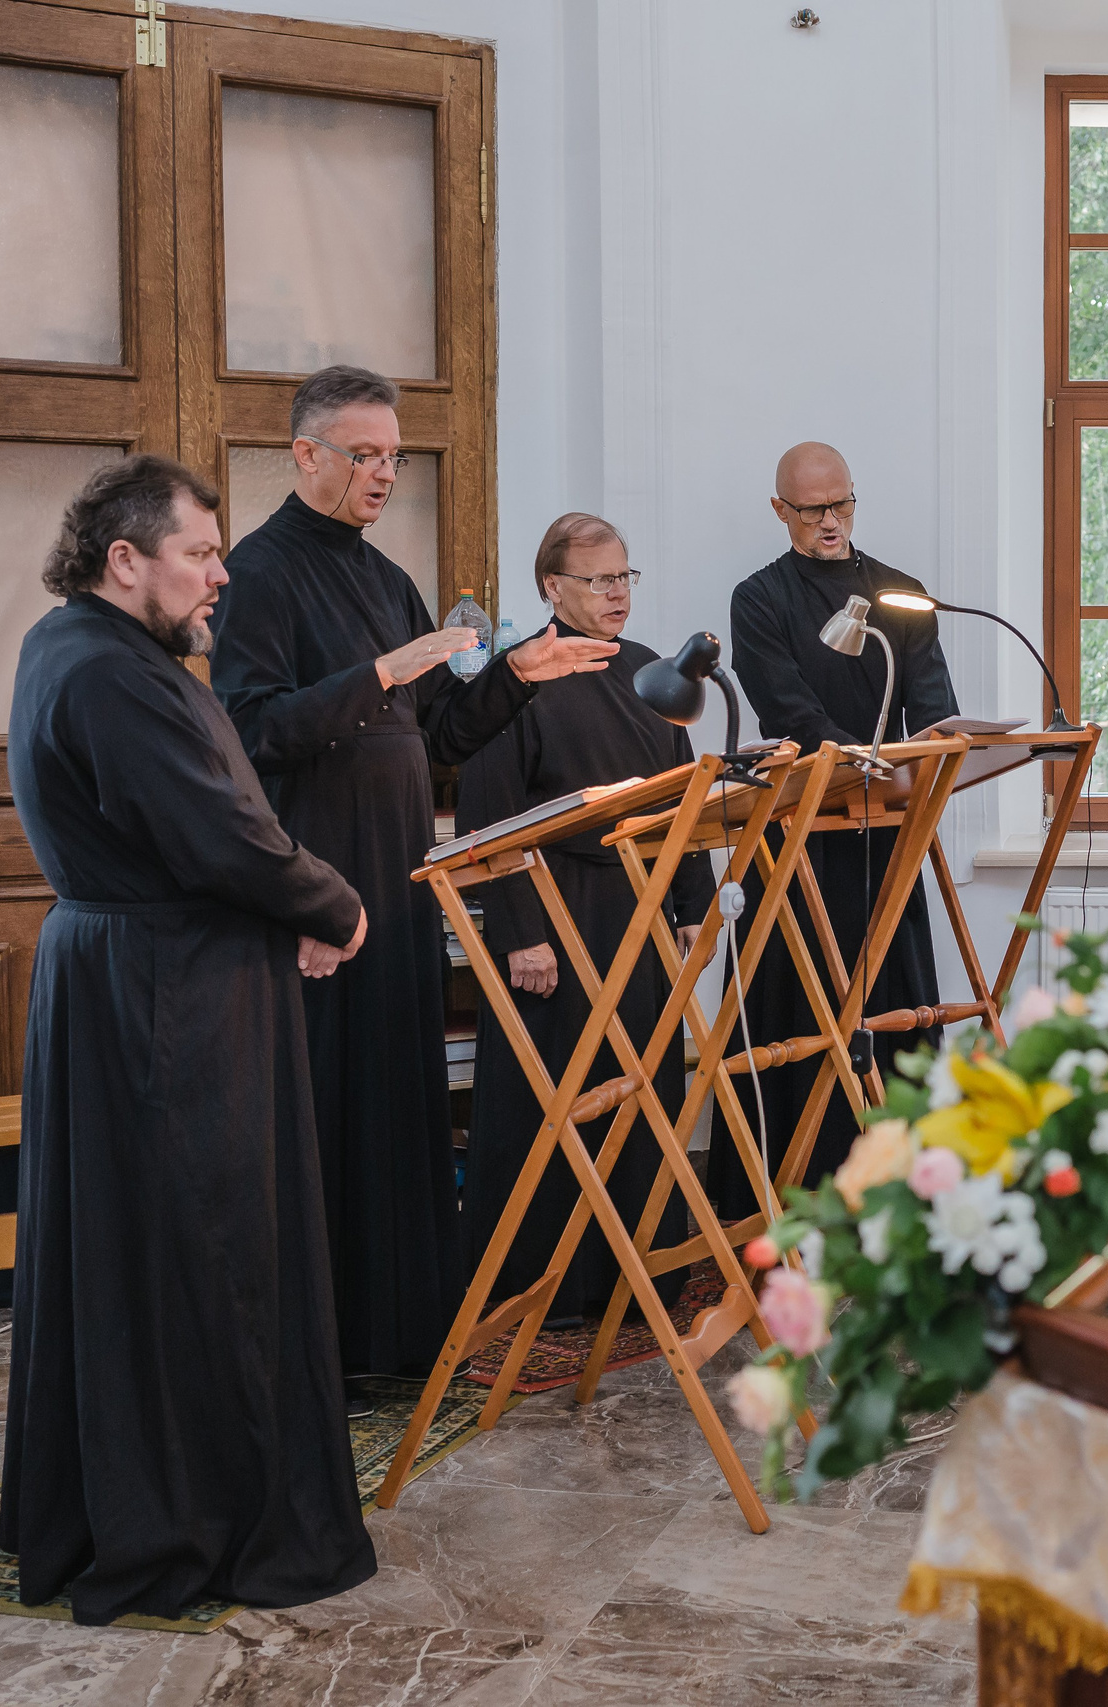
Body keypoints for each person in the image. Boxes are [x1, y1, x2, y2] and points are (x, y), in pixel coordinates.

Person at [1, 455, 373, 1626]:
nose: (220, 576)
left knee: (156, 1249)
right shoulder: (105, 670)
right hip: (166, 992)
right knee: (208, 1252)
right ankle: (201, 1516)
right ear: (126, 560)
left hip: (147, 973)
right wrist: (331, 904)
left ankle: (158, 1491)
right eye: (200, 555)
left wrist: (285, 907)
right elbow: (218, 832)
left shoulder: (90, 649)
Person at [211, 365, 615, 1387]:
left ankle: (397, 1339)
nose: (385, 474)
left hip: (397, 879)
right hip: (315, 885)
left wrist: (516, 677)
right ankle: (323, 1352)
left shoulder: (386, 578)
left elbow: (436, 734)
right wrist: (381, 673)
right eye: (366, 455)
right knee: (330, 1114)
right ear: (307, 455)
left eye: (393, 456)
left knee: (401, 1106)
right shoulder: (258, 573)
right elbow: (254, 728)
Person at [455, 514, 713, 1321]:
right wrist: (520, 927)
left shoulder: (654, 674)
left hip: (640, 904)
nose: (616, 594)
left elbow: (683, 799)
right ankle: (549, 1286)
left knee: (642, 1082)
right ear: (552, 589)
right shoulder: (519, 675)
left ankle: (643, 1271)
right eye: (599, 580)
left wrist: (690, 903)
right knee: (556, 1097)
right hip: (554, 913)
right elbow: (487, 812)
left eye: (625, 577)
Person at [712, 442, 959, 1217]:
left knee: (894, 1007)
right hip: (801, 836)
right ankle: (791, 1195)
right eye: (812, 508)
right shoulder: (758, 599)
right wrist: (860, 764)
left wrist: (931, 754)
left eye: (842, 504)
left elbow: (933, 702)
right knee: (801, 1013)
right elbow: (787, 708)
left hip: (886, 838)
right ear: (780, 511)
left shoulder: (902, 596)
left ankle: (905, 1197)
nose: (830, 521)